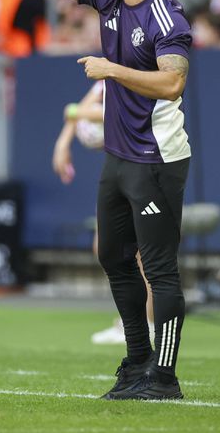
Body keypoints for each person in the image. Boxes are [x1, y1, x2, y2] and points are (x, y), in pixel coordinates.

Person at [0, 0, 192, 400]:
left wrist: (110, 70)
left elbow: (173, 83)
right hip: (120, 155)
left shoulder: (168, 16)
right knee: (112, 256)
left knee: (159, 269)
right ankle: (137, 362)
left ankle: (165, 378)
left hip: (157, 157)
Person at [51, 82, 155, 345]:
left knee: (143, 255)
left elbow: (99, 112)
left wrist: (76, 110)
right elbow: (75, 113)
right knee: (107, 248)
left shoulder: (134, 75)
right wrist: (62, 143)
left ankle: (149, 324)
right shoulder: (103, 80)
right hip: (117, 169)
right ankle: (132, 323)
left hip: (145, 166)